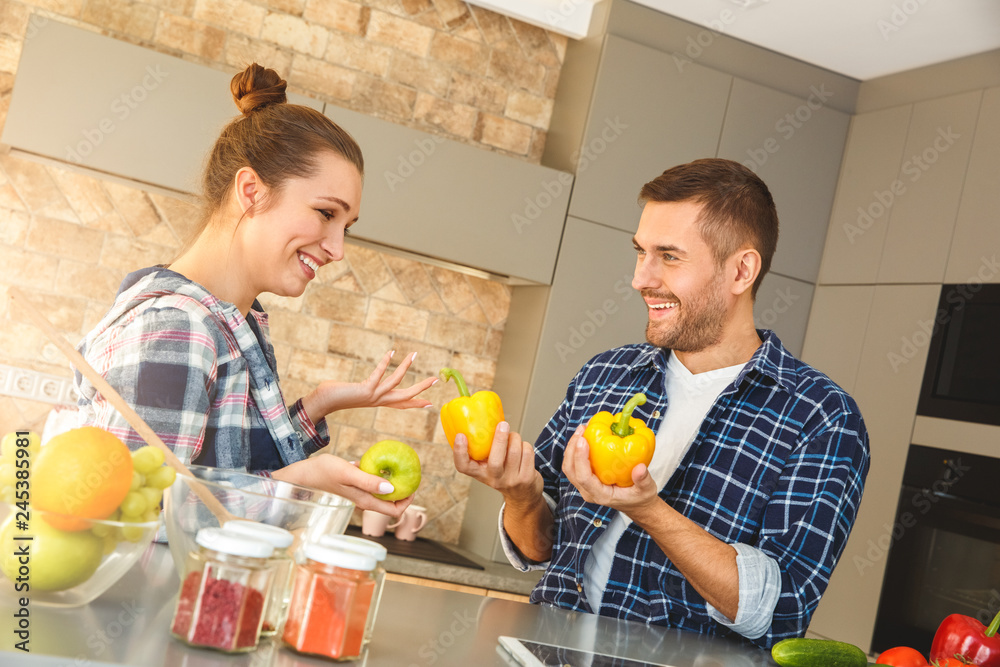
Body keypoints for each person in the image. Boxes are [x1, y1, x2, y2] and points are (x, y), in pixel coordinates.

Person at [453, 158, 870, 648]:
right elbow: (542, 549)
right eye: (640, 252)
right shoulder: (605, 374)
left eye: (669, 257)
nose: (641, 278)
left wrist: (649, 509)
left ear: (741, 270)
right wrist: (520, 496)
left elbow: (780, 612)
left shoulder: (821, 417)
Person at [76, 63, 435, 515]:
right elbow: (133, 516)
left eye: (347, 225)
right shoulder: (178, 330)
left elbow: (222, 464)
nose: (338, 249)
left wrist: (320, 404)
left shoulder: (229, 320)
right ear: (251, 191)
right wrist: (293, 488)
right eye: (327, 213)